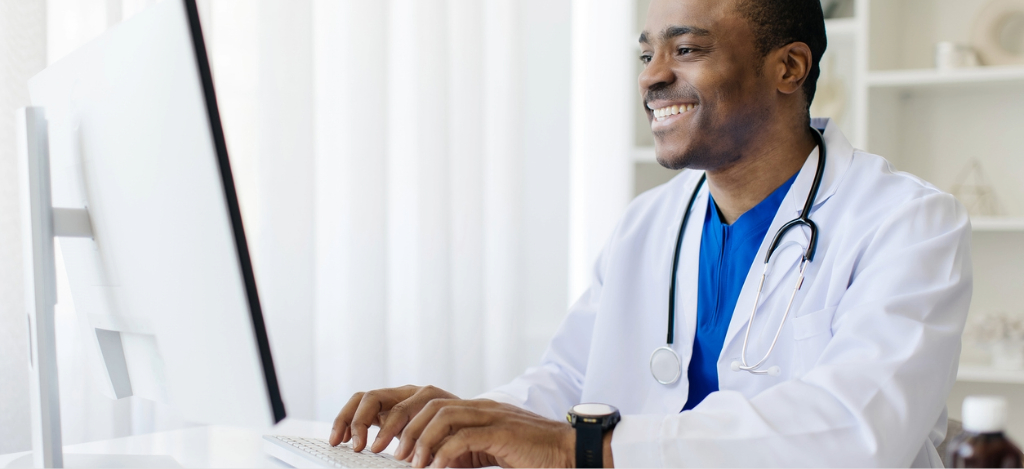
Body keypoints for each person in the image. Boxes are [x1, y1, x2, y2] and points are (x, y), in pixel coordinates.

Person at [329, 0, 973, 466]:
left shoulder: (907, 224)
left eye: (685, 49)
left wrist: (576, 449)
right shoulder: (648, 222)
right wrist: (463, 422)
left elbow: (856, 430)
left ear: (789, 67)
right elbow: (566, 381)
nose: (650, 75)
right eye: (647, 52)